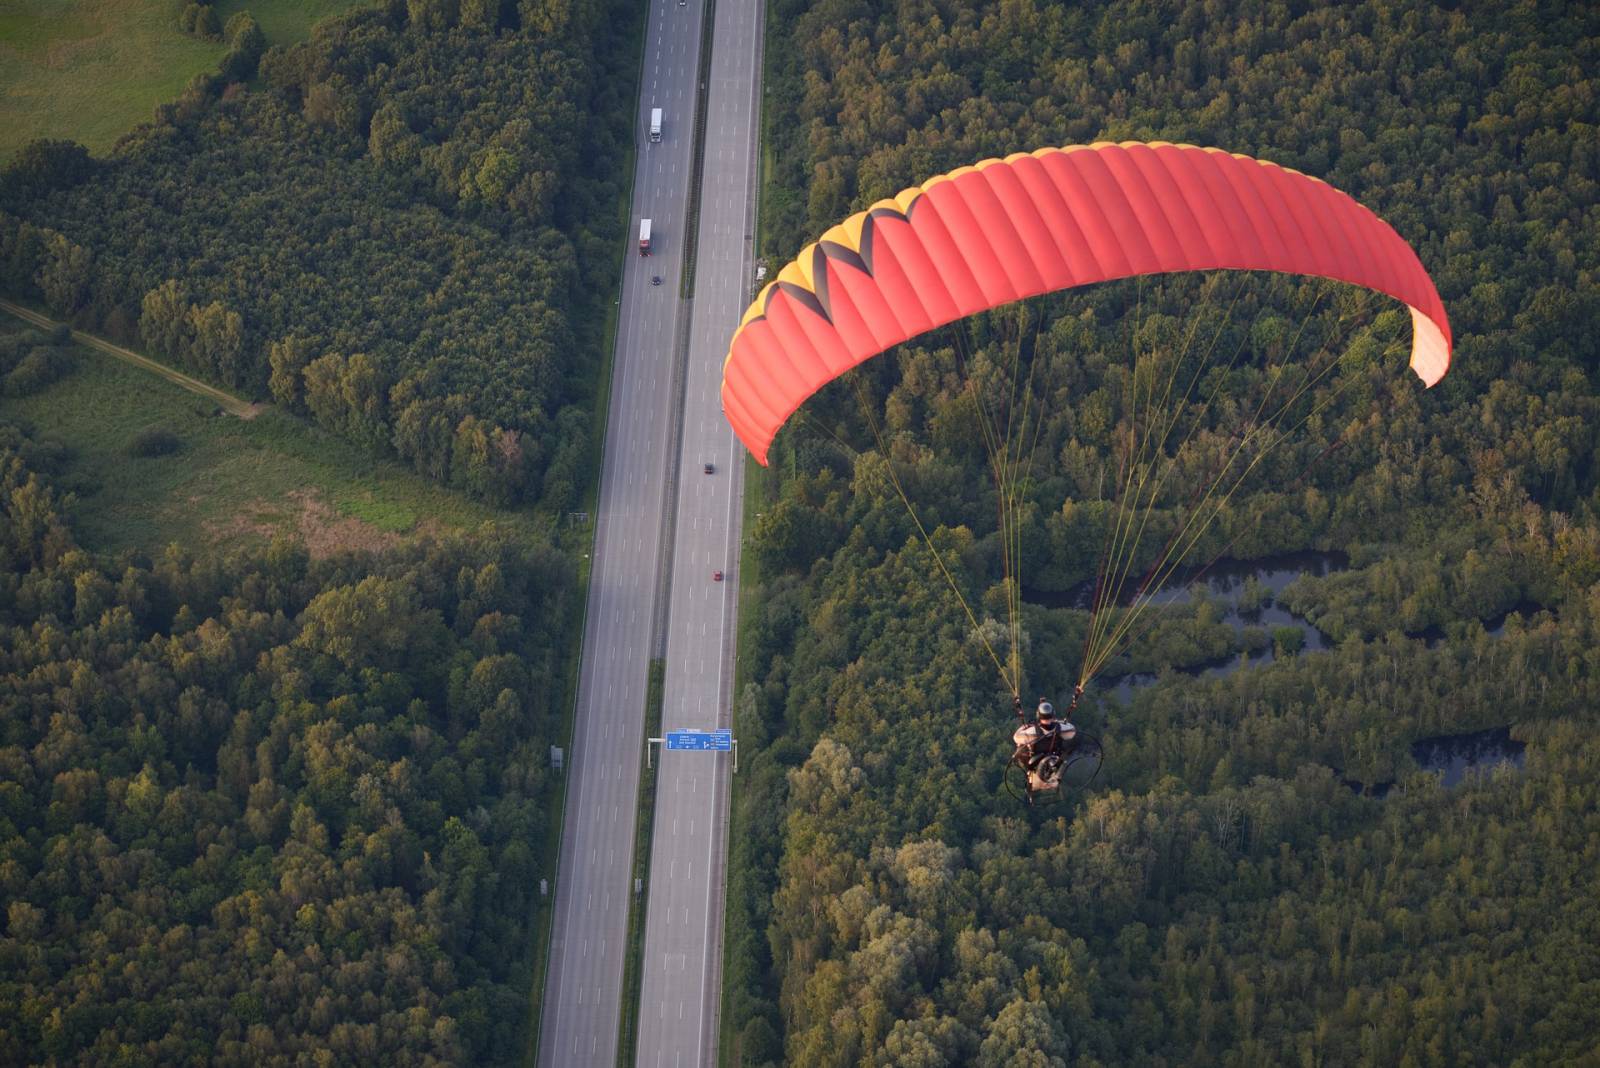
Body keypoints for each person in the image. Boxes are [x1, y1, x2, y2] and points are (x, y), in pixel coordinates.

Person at [1011, 692, 1080, 799]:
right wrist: (1061, 722)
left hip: (1036, 764)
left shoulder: (1031, 732)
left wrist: (1025, 726)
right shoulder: (1061, 729)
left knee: (1020, 749)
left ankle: (1032, 783)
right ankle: (1053, 782)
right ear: (1053, 715)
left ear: (1038, 716)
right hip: (1053, 761)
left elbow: (1016, 737)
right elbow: (1072, 732)